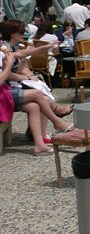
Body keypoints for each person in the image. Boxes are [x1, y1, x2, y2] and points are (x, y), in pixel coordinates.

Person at [0, 20, 76, 155]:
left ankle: (39, 144)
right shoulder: (3, 51)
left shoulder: (7, 49)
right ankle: (57, 122)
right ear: (12, 34)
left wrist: (46, 47)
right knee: (38, 94)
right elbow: (4, 78)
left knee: (35, 105)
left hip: (6, 91)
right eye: (22, 33)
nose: (24, 35)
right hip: (3, 94)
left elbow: (21, 56)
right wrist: (23, 74)